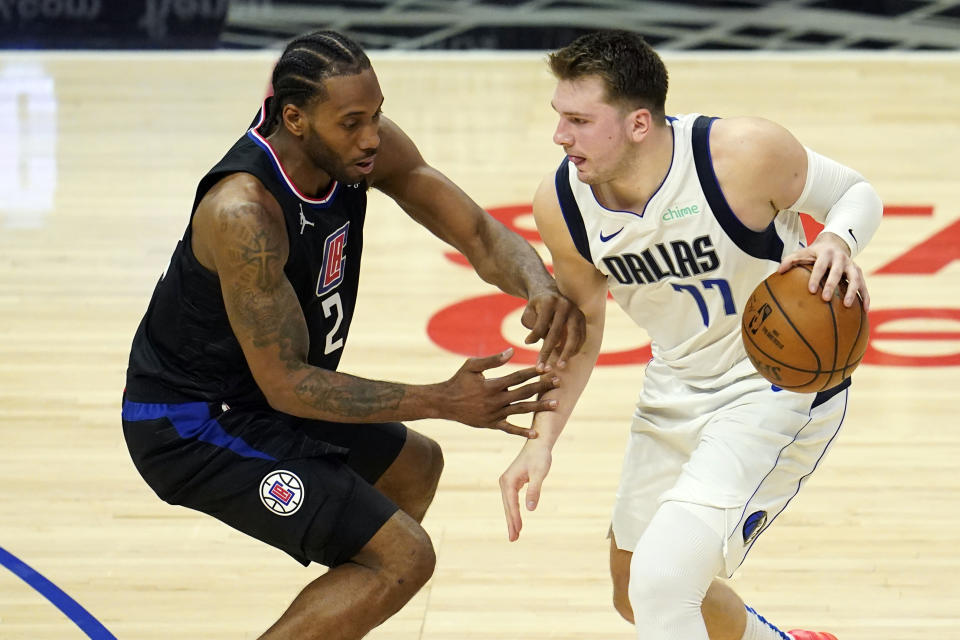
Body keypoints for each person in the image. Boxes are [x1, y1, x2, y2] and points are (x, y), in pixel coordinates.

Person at [121, 30, 585, 639]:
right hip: (193, 422)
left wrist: (538, 285)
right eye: (352, 122)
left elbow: (475, 230)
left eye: (377, 115)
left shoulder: (359, 150)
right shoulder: (244, 215)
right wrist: (443, 400)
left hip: (261, 394)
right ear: (296, 118)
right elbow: (287, 385)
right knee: (404, 556)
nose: (371, 136)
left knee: (413, 470)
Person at [499, 30, 882, 640]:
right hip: (676, 386)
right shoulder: (563, 203)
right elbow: (585, 325)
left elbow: (855, 193)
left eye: (578, 119)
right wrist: (540, 441)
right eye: (559, 117)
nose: (559, 136)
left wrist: (837, 239)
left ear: (639, 123)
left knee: (665, 582)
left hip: (776, 390)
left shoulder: (740, 153)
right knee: (634, 594)